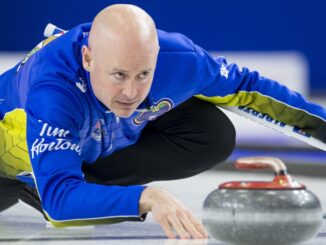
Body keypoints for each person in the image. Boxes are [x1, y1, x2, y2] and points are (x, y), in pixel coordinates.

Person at [0, 4, 325, 240]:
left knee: (213, 133)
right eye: (119, 75)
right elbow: (59, 203)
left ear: (156, 57)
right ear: (88, 58)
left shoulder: (181, 60)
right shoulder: (53, 91)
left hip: (93, 140)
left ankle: (86, 184)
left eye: (144, 74)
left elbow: (249, 88)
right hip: (9, 167)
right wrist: (147, 197)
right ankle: (42, 182)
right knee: (60, 194)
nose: (131, 91)